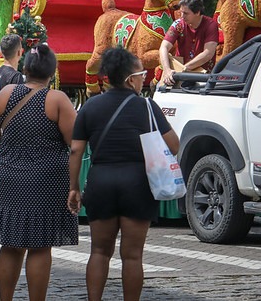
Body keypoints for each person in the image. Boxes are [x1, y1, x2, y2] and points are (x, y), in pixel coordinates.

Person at [68, 46, 180, 301]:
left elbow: (76, 151)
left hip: (101, 182)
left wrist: (73, 187)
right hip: (137, 184)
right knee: (132, 255)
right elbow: (173, 145)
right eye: (142, 74)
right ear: (130, 78)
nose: (144, 78)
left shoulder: (91, 106)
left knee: (98, 251)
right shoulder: (147, 107)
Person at [0, 44, 78, 301]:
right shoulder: (57, 99)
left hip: (8, 176)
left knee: (11, 244)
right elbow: (74, 141)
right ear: (52, 72)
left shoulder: (5, 94)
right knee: (40, 246)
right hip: (45, 180)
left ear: (25, 68)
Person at [159, 0, 219, 86]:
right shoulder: (178, 24)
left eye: (186, 13)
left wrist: (184, 68)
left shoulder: (211, 25)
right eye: (181, 12)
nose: (182, 16)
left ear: (198, 12)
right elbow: (164, 47)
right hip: (178, 77)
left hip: (202, 78)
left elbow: (208, 53)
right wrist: (167, 70)